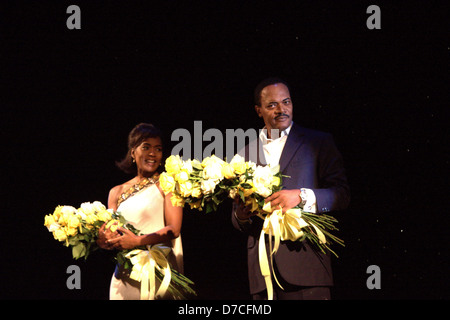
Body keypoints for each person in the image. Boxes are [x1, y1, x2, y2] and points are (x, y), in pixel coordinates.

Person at [232, 78, 350, 300]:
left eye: (286, 102)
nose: (281, 109)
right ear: (258, 110)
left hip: (306, 264)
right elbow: (236, 217)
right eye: (272, 105)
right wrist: (242, 214)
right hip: (262, 272)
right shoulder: (243, 155)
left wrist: (301, 196)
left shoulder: (318, 142)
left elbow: (342, 194)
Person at [97, 123, 184, 300]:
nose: (153, 153)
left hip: (157, 273)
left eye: (158, 149)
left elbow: (174, 229)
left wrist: (137, 241)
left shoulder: (168, 184)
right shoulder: (116, 192)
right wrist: (102, 240)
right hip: (124, 276)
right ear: (132, 152)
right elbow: (110, 233)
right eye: (146, 147)